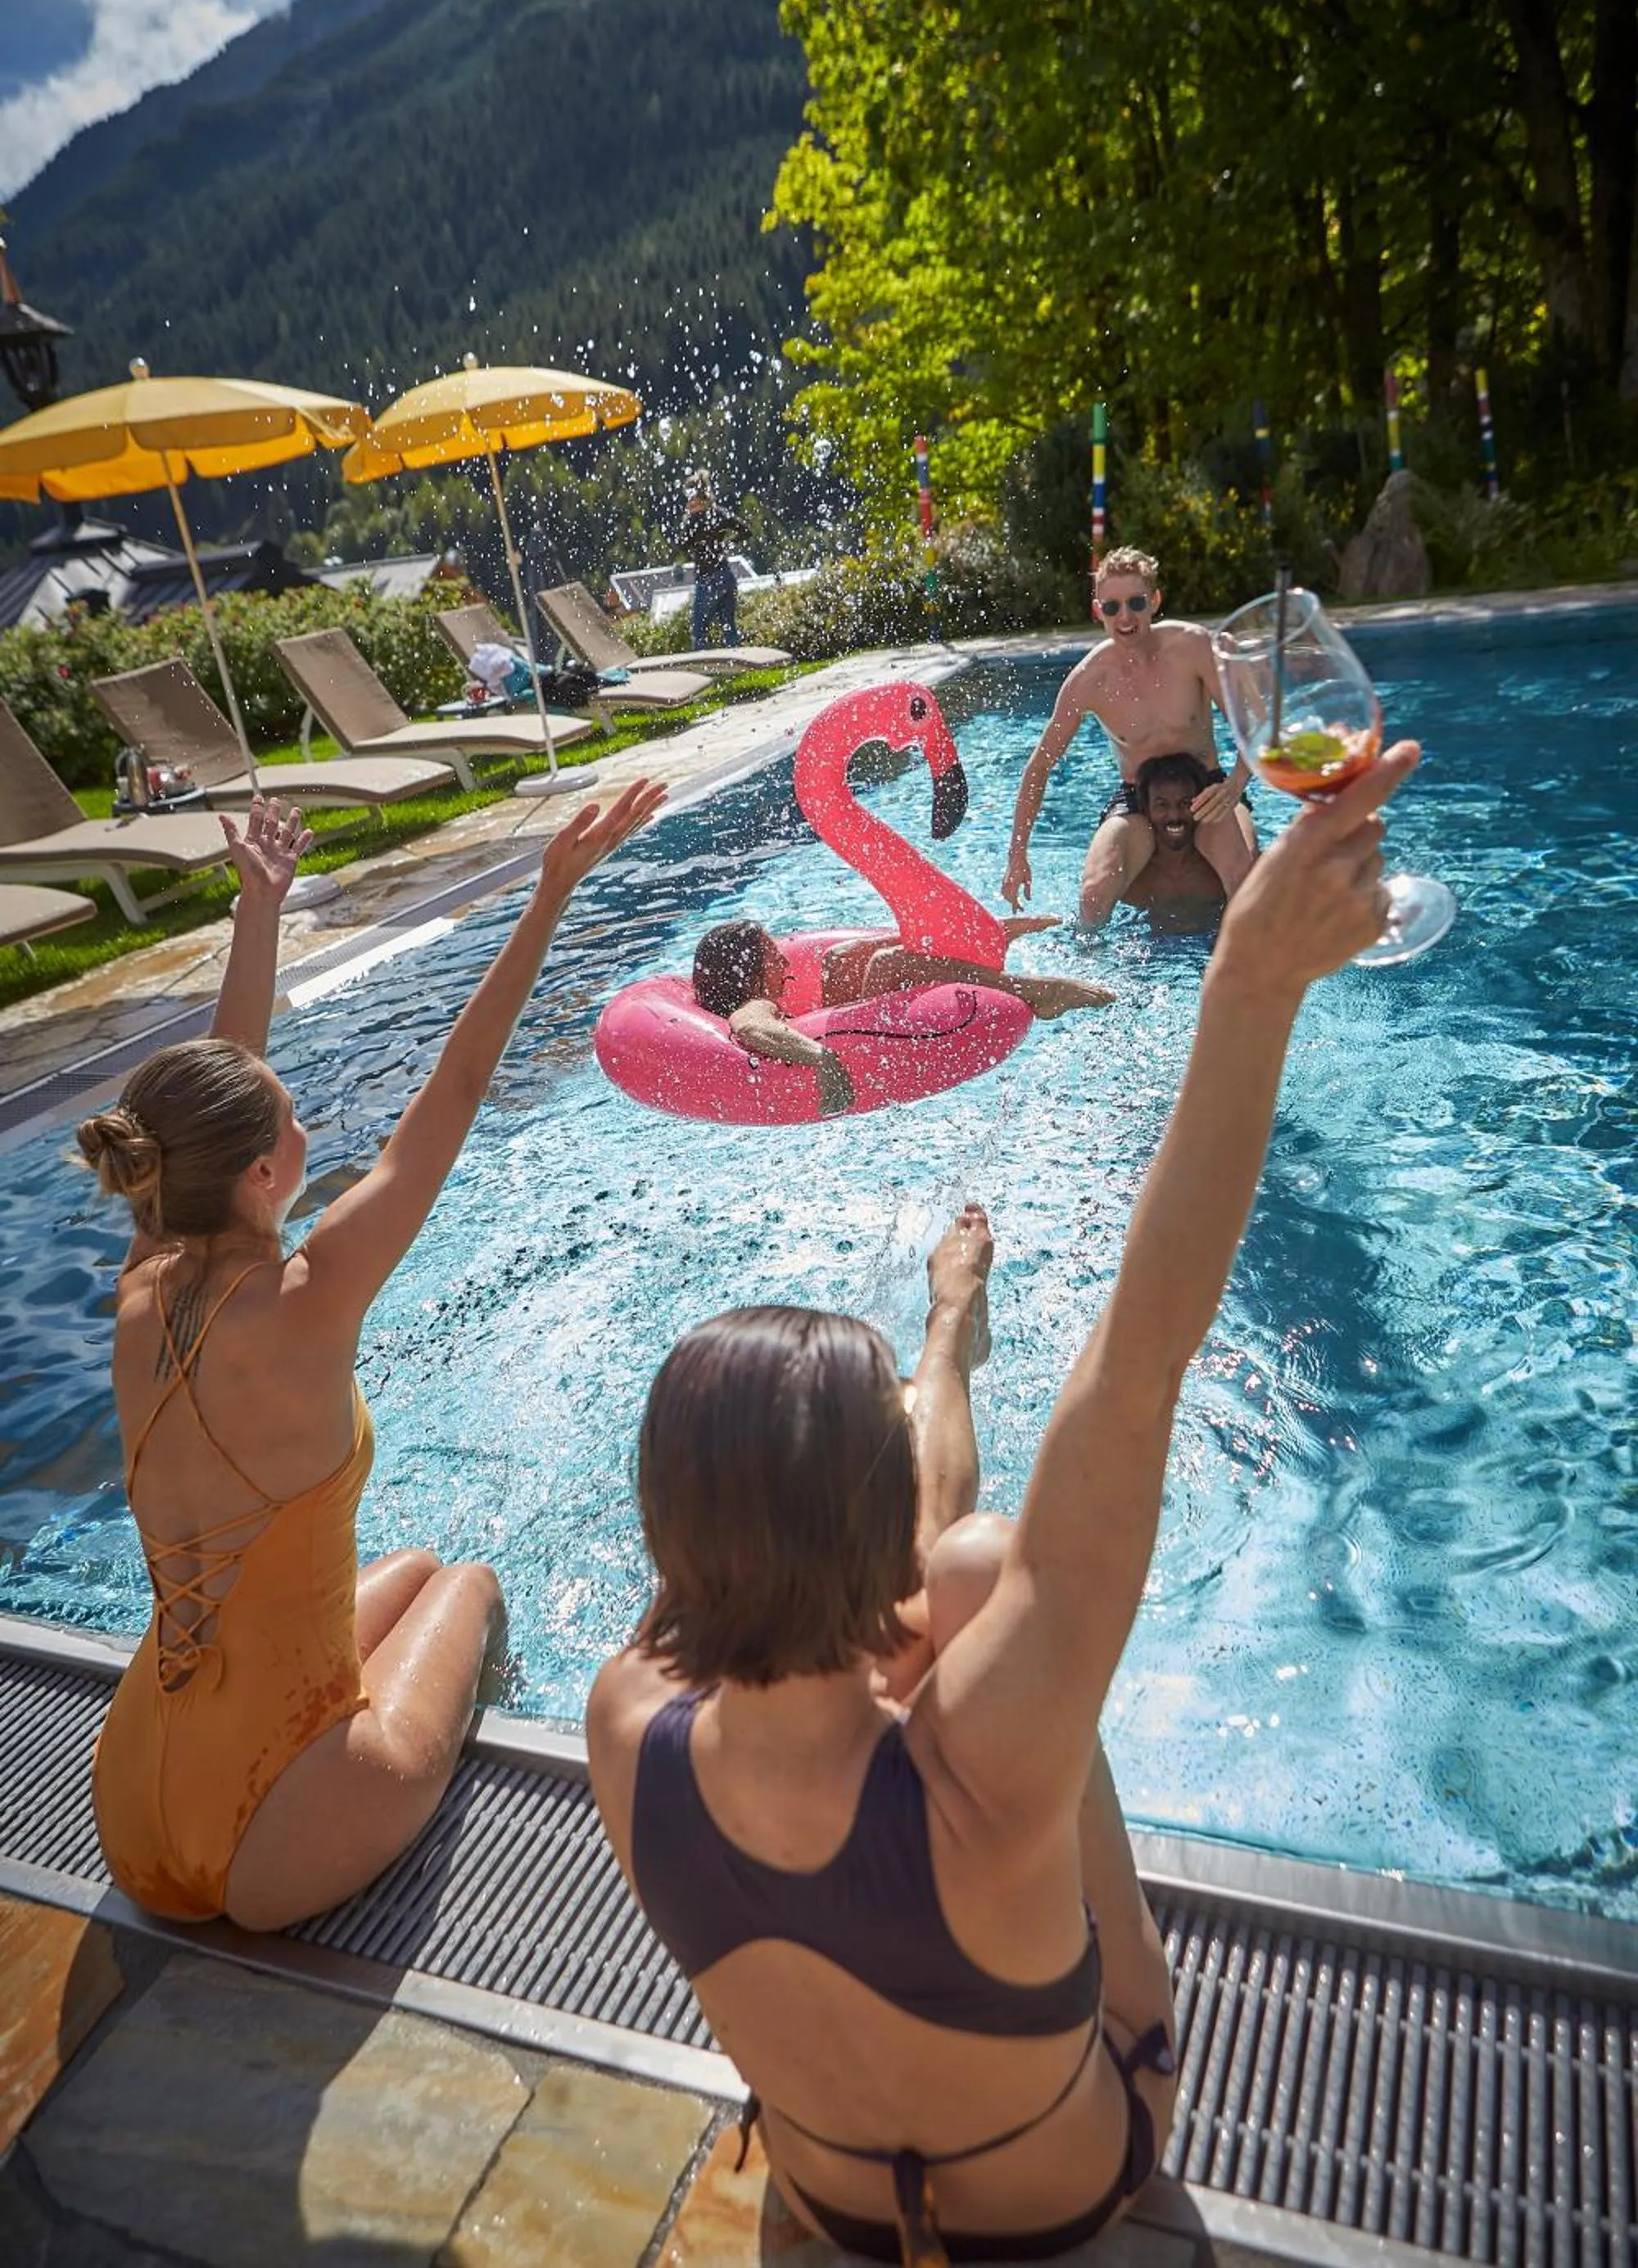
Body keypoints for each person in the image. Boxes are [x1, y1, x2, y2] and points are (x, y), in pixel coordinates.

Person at [589, 742, 1418, 2265]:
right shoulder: (992, 1764)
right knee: (977, 1566)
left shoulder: (620, 1715)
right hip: (1061, 2199)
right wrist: (1253, 987)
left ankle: (932, 1368)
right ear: (867, 1519)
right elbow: (1139, 1368)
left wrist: (946, 1334)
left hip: (826, 2203)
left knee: (960, 1562)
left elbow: (879, 1553)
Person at [79, 780, 664, 1933]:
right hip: (271, 1836)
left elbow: (212, 1097)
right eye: (292, 1119)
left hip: (128, 1803)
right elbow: (456, 1088)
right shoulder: (311, 1295)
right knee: (472, 1586)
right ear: (262, 1177)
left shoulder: (144, 1281)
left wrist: (261, 907)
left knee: (405, 1571)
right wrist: (548, 897)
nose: (306, 1128)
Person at [1002, 545, 1257, 929]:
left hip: (1207, 789)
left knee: (1245, 881)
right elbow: (1039, 766)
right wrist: (1016, 855)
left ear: (1155, 601)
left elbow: (1252, 726)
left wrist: (1236, 785)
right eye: (1112, 607)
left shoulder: (1194, 647)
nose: (1126, 617)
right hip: (1138, 795)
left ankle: (1249, 978)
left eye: (1136, 603)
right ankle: (1087, 982)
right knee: (1092, 897)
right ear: (1097, 611)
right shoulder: (1089, 680)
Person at [692, 919, 1115, 1118]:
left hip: (845, 1023)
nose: (784, 959)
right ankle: (1036, 991)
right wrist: (821, 1059)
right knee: (890, 965)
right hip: (847, 1044)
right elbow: (748, 1027)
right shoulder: (754, 1005)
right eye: (771, 954)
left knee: (840, 959)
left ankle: (969, 936)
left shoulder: (766, 993)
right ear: (747, 972)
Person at [1120, 753, 1228, 933]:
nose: (1174, 816)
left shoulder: (1221, 872)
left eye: (1185, 803)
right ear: (1146, 809)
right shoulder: (1131, 880)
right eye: (1162, 805)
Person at [676, 468, 744, 653]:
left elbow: (682, 545)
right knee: (729, 627)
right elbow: (745, 530)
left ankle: (704, 673)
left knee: (699, 632)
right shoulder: (719, 513)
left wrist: (687, 519)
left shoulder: (694, 520)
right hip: (726, 575)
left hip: (707, 579)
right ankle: (739, 667)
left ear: (694, 497)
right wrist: (728, 543)